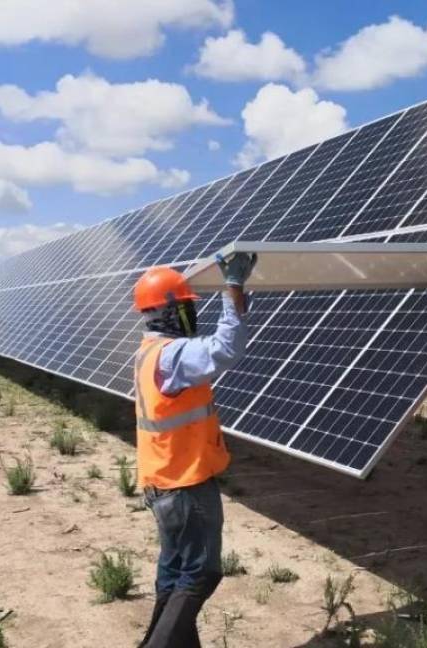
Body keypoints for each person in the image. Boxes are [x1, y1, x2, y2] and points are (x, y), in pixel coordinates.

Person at [132, 253, 256, 648]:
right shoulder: (172, 356)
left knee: (174, 575)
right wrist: (230, 286)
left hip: (162, 483)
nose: (190, 314)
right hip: (185, 485)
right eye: (186, 307)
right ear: (169, 311)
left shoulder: (149, 353)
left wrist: (238, 297)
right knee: (201, 573)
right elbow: (224, 349)